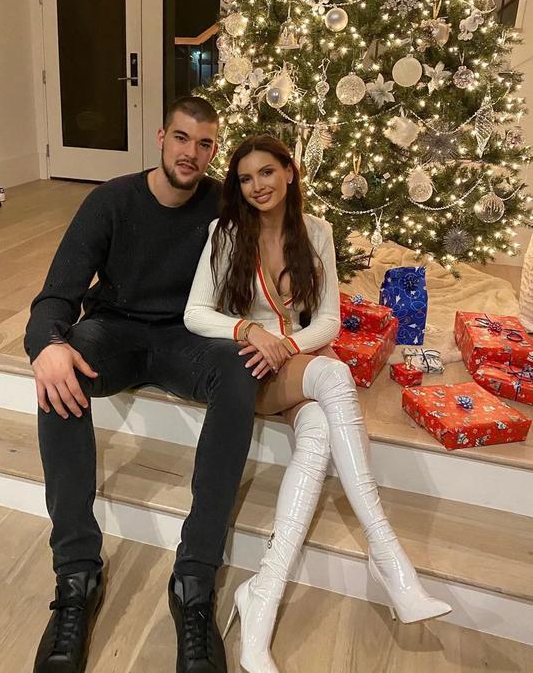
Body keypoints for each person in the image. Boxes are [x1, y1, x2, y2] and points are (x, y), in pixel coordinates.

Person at [184, 135, 452, 673]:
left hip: (292, 361)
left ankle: (261, 597)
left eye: (266, 172)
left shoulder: (318, 232)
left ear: (290, 171)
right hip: (248, 370)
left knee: (320, 433)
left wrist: (286, 345)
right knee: (334, 373)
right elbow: (195, 313)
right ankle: (388, 554)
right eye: (245, 178)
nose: (257, 186)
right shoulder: (225, 233)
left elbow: (328, 320)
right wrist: (250, 332)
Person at [24, 96, 261, 673]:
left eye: (205, 144)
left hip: (188, 338)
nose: (191, 153)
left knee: (239, 371)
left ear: (214, 150)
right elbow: (57, 293)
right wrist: (46, 344)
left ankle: (194, 583)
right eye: (182, 138)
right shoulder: (111, 201)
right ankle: (76, 576)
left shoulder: (224, 206)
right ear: (161, 137)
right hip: (116, 333)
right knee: (61, 368)